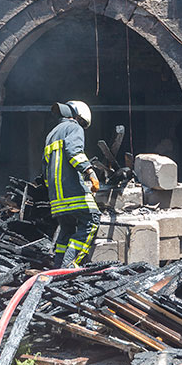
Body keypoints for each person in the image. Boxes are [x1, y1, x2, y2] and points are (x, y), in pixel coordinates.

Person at [43, 100, 101, 267]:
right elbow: (73, 151)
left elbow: (45, 167)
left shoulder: (51, 134)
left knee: (67, 230)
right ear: (79, 117)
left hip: (56, 198)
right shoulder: (74, 128)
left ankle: (57, 266)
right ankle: (68, 266)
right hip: (72, 191)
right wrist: (90, 172)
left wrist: (54, 191)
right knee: (92, 220)